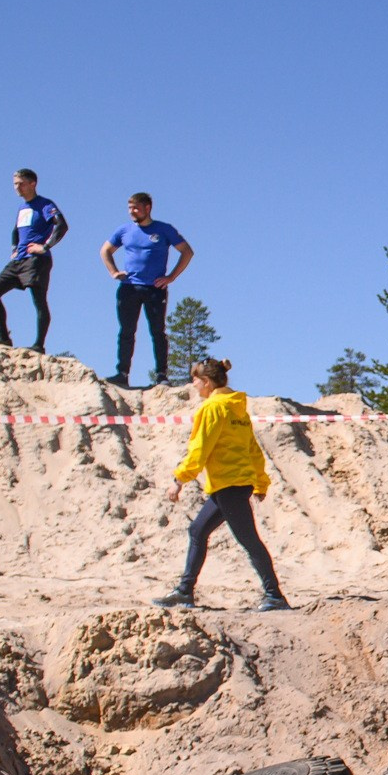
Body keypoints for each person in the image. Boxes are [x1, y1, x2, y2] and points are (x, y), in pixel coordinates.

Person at [152, 357, 289, 611]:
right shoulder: (238, 409)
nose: (193, 385)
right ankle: (184, 591)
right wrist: (260, 483)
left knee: (249, 541)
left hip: (229, 485)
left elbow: (199, 450)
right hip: (234, 484)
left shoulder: (212, 408)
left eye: (195, 380)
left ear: (206, 382)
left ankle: (275, 596)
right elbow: (253, 450)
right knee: (198, 531)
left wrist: (179, 480)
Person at [100, 192, 193, 387]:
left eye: (136, 208)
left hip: (155, 289)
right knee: (126, 331)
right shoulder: (124, 230)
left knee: (158, 332)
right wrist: (113, 272)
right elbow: (105, 250)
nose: (132, 211)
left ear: (147, 208)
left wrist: (171, 277)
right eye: (130, 208)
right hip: (129, 287)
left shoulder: (164, 229)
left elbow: (187, 251)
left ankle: (161, 375)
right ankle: (122, 373)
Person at [0, 169, 67, 350]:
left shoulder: (45, 204)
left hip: (36, 260)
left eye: (21, 183)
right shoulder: (22, 208)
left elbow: (62, 225)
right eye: (15, 184)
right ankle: (4, 338)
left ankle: (39, 345)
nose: (17, 187)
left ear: (32, 184)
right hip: (18, 261)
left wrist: (45, 247)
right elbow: (16, 230)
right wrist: (14, 249)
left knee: (38, 300)